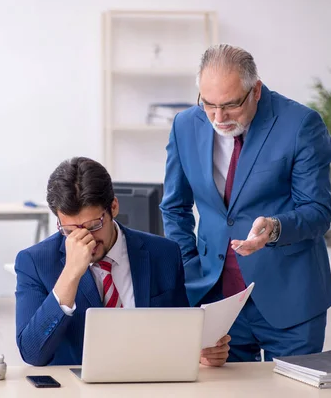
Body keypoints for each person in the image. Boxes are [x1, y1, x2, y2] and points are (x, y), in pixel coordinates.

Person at [160, 44, 331, 362]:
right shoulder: (185, 125)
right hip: (217, 298)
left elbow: (318, 211)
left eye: (230, 105)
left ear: (255, 90)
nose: (218, 117)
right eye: (208, 104)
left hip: (290, 298)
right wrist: (189, 265)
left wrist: (276, 227)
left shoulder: (300, 125)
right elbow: (174, 207)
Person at [15, 157, 230, 367]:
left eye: (92, 226)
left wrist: (200, 352)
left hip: (150, 385)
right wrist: (70, 274)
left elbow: (181, 335)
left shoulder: (164, 254)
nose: (85, 240)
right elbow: (33, 354)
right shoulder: (34, 262)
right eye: (70, 231)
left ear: (114, 207)